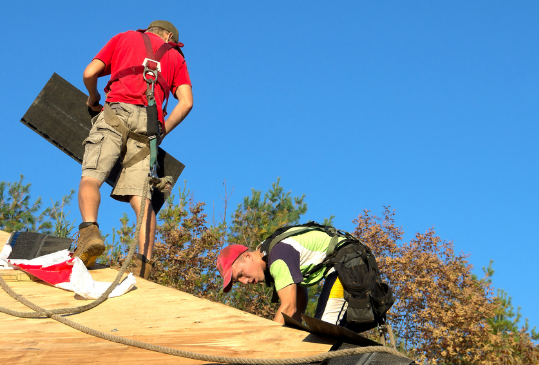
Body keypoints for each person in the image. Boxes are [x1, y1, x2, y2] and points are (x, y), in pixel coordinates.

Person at [75, 20, 193, 279]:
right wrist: (161, 132)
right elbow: (186, 103)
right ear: (170, 36)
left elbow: (89, 72)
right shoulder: (175, 57)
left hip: (115, 113)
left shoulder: (125, 37)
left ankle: (90, 232)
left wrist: (93, 97)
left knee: (91, 178)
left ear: (149, 30)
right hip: (148, 127)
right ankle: (143, 264)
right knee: (143, 199)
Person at [216, 224, 393, 330]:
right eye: (238, 281)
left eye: (240, 274)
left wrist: (268, 343)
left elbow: (289, 306)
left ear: (247, 256)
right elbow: (297, 305)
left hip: (348, 265)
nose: (245, 281)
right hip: (348, 263)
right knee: (322, 331)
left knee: (325, 330)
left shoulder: (277, 257)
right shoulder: (271, 257)